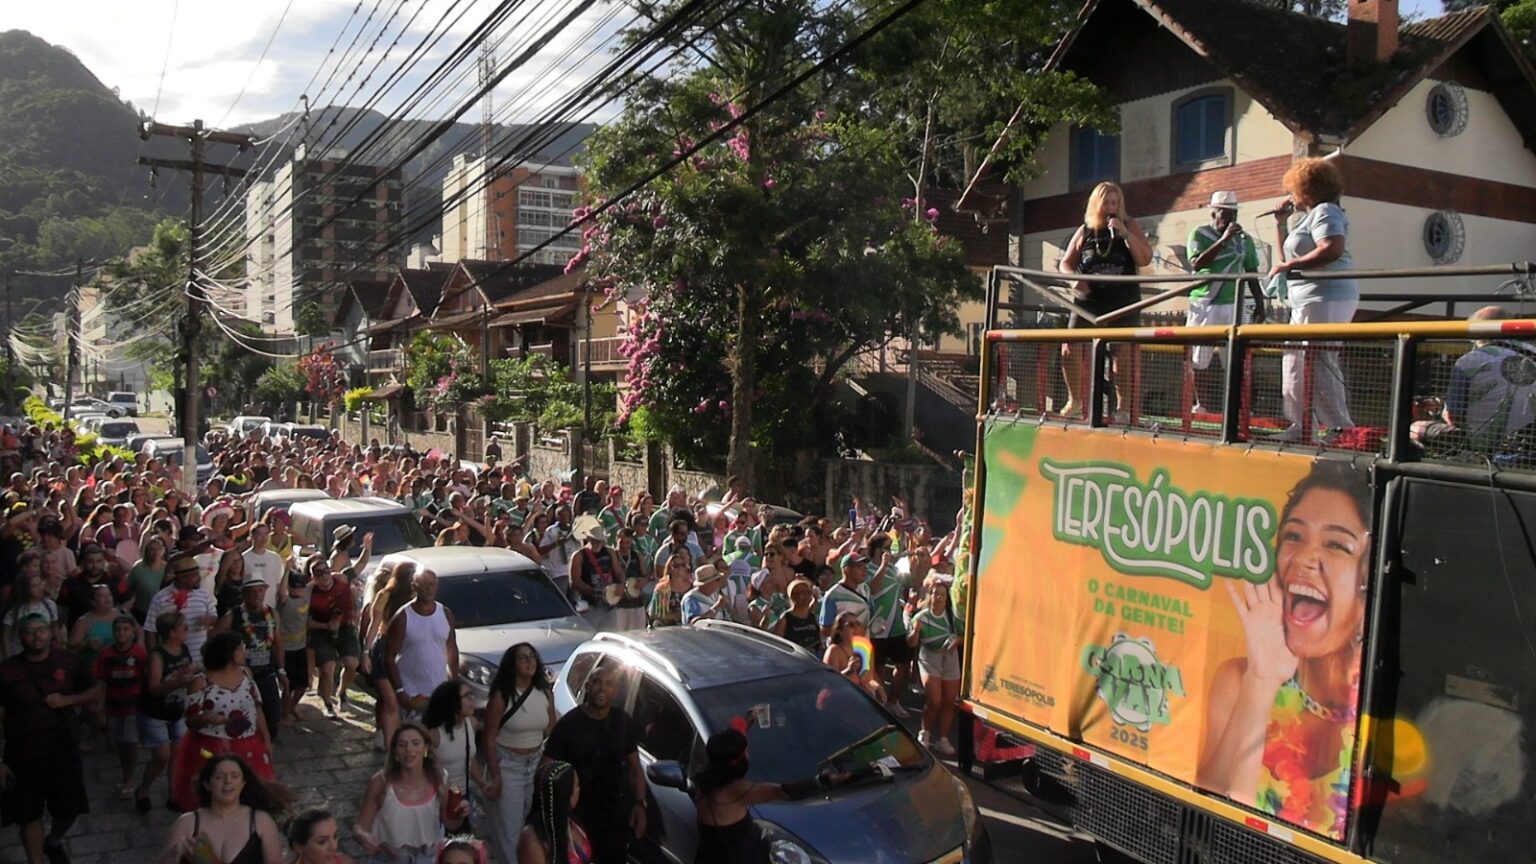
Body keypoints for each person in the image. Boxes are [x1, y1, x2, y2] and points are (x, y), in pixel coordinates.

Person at [1197, 462, 1372, 840]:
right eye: (1294, 536)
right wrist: (1262, 680)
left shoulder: (1378, 708)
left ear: (1369, 581)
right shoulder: (1239, 680)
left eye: (1336, 544)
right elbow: (1208, 814)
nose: (1304, 558)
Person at [1269, 157, 1358, 441]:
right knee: (1295, 360)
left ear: (1305, 189)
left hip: (1326, 295)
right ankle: (1301, 424)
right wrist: (1281, 225)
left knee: (1318, 360)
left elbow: (1331, 248)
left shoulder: (1326, 211)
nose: (1289, 196)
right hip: (1308, 298)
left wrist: (1289, 266)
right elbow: (1288, 259)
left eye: (1292, 190)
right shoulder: (1309, 218)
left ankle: (1339, 427)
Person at [0, 613, 100, 864]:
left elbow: (95, 692)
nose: (37, 636)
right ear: (21, 636)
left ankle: (53, 841)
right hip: (22, 754)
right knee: (29, 815)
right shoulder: (7, 670)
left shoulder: (69, 660)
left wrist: (68, 700)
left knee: (69, 810)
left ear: (50, 632)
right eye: (30, 631)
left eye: (41, 630)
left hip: (62, 750)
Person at [1056, 180, 1153, 420]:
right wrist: (1073, 280)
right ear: (1096, 205)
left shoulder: (1129, 224)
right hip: (1090, 300)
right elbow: (1065, 263)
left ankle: (1123, 408)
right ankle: (1075, 400)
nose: (1110, 207)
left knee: (1121, 353)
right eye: (1106, 203)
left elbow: (1144, 258)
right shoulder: (1085, 230)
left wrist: (1125, 233)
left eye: (1114, 202)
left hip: (1123, 299)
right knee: (1069, 347)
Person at [690, 727, 857, 864]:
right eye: (745, 753)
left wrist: (746, 723)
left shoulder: (703, 781)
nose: (748, 755)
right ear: (736, 762)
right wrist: (824, 780)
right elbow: (782, 791)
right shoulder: (737, 791)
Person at [541, 664, 645, 864]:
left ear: (615, 691)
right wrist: (556, 814)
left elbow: (634, 768)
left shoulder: (622, 722)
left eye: (609, 684)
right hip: (578, 816)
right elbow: (546, 771)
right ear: (588, 686)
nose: (602, 688)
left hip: (614, 816)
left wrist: (640, 804)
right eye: (597, 682)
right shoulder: (568, 725)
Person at [170, 631, 277, 813]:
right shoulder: (201, 682)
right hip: (211, 748)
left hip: (248, 744)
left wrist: (266, 739)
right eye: (240, 649)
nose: (245, 652)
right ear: (228, 654)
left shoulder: (246, 674)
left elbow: (256, 708)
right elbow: (190, 721)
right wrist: (207, 718)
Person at [1412, 305, 1536, 455]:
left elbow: (1453, 416)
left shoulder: (1469, 361)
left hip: (1483, 446)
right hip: (1530, 445)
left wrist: (1440, 412)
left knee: (1415, 428)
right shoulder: (1533, 353)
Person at [1186, 190, 1264, 411]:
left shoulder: (1245, 240)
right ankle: (1201, 405)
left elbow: (1251, 271)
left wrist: (1259, 303)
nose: (1231, 218)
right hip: (1205, 302)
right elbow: (1197, 263)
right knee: (1200, 357)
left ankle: (1236, 408)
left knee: (1235, 357)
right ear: (1214, 213)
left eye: (1234, 213)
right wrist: (1223, 240)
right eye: (1225, 213)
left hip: (1234, 303)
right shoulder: (1199, 234)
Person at [481, 643, 557, 864]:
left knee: (532, 829)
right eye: (523, 658)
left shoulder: (544, 692)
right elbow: (488, 738)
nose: (530, 661)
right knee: (509, 834)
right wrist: (496, 776)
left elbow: (552, 729)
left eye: (532, 656)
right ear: (513, 666)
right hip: (507, 766)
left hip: (536, 764)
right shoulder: (502, 696)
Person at [353, 723, 469, 864]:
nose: (409, 749)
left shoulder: (440, 779)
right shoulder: (381, 783)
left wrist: (459, 814)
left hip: (428, 858)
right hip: (389, 859)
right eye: (402, 745)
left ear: (426, 748)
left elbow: (451, 824)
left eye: (415, 743)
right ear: (395, 752)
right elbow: (360, 826)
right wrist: (363, 837)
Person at [160, 754, 287, 864]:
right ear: (207, 784)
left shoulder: (261, 822)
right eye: (219, 777)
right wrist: (175, 852)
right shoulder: (187, 822)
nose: (228, 781)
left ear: (243, 783)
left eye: (234, 776)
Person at [135, 609, 200, 813]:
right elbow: (154, 689)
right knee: (162, 756)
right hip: (155, 713)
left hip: (177, 710)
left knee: (177, 755)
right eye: (184, 627)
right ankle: (143, 789)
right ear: (172, 632)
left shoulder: (183, 649)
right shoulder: (157, 656)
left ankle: (174, 794)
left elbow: (188, 672)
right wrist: (179, 682)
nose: (187, 629)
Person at [385, 568, 458, 719]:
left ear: (437, 586)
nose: (429, 588)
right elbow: (389, 657)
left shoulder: (445, 613)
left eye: (432, 584)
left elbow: (451, 649)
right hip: (412, 693)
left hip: (439, 691)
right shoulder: (403, 617)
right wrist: (400, 691)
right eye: (424, 584)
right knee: (416, 731)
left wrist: (454, 681)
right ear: (414, 587)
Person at [221, 578, 285, 740]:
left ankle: (269, 745)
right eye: (253, 591)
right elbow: (214, 638)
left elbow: (278, 644)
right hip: (242, 676)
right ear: (244, 595)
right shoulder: (234, 615)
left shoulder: (272, 613)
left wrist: (281, 670)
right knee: (244, 717)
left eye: (261, 590)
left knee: (274, 719)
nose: (258, 595)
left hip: (266, 672)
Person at [94, 613, 148, 798]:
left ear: (133, 632)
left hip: (133, 706)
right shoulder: (105, 655)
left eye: (126, 629)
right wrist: (99, 707)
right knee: (120, 743)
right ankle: (126, 775)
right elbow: (101, 682)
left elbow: (146, 679)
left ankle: (129, 779)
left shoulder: (140, 653)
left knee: (130, 742)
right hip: (113, 706)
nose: (121, 633)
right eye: (118, 630)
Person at [421, 680, 486, 833]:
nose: (473, 699)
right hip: (439, 799)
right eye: (467, 695)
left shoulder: (471, 723)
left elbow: (469, 759)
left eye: (472, 694)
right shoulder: (433, 734)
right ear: (452, 702)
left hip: (464, 796)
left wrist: (482, 784)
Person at [907, 576, 962, 758]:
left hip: (950, 658)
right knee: (935, 701)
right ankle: (925, 732)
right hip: (929, 657)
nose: (938, 597)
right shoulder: (921, 617)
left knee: (949, 701)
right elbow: (911, 643)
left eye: (942, 595)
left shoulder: (952, 617)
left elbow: (964, 636)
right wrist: (916, 631)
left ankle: (943, 739)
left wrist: (956, 642)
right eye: (935, 594)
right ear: (929, 596)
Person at [362, 562, 414, 749]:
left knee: (397, 699)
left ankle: (395, 737)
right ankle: (385, 737)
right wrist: (365, 652)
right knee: (389, 699)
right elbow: (374, 624)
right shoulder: (385, 595)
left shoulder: (415, 596)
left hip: (405, 649)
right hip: (383, 649)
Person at [307, 558, 359, 719]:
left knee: (352, 664)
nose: (325, 576)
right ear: (314, 577)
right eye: (319, 573)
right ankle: (328, 703)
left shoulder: (342, 582)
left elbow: (360, 565)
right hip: (322, 631)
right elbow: (306, 622)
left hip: (345, 628)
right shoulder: (310, 593)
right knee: (327, 670)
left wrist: (367, 548)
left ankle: (342, 692)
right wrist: (326, 626)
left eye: (327, 571)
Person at [145, 554, 219, 661]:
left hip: (200, 658)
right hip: (172, 661)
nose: (199, 578)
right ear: (181, 578)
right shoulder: (161, 598)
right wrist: (154, 658)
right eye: (194, 575)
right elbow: (150, 630)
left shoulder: (204, 595)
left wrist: (209, 620)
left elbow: (214, 617)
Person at [515, 761, 590, 864]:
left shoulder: (572, 822)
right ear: (565, 796)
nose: (579, 790)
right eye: (577, 786)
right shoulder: (531, 841)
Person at [818, 553, 871, 639]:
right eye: (859, 566)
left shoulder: (865, 589)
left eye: (865, 567)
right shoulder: (832, 595)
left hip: (863, 644)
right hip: (843, 645)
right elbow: (825, 629)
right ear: (846, 569)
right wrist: (848, 630)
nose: (864, 570)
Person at [286, 809, 355, 864]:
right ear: (298, 847)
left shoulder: (344, 861)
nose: (333, 847)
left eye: (335, 836)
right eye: (322, 842)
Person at [646, 552, 691, 628]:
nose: (680, 568)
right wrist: (676, 616)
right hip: (665, 628)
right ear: (669, 569)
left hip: (687, 627)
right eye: (676, 566)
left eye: (683, 565)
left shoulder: (692, 586)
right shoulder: (662, 588)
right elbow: (653, 614)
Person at [778, 579, 822, 652]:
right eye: (801, 593)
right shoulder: (786, 618)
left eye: (808, 593)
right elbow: (777, 643)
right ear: (792, 596)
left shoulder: (812, 617)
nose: (805, 596)